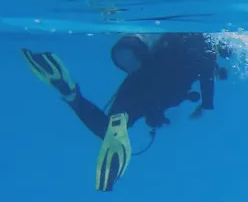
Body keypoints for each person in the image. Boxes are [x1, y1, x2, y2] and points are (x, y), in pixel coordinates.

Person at [21, 33, 230, 191]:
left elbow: (156, 98)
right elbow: (203, 71)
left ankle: (70, 94)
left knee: (109, 127)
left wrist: (155, 117)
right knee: (122, 122)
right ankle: (73, 97)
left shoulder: (183, 47)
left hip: (142, 77)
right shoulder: (201, 48)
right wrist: (206, 105)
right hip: (163, 81)